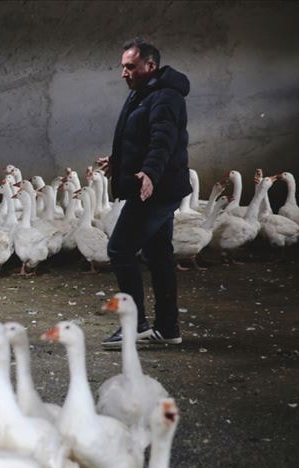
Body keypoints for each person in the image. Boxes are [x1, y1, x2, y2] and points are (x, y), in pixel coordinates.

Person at [97, 38, 192, 348]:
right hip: (156, 187)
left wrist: (149, 173)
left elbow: (162, 140)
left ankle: (135, 324)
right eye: (123, 67)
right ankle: (168, 328)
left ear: (150, 66)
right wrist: (119, 161)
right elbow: (138, 137)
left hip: (154, 190)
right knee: (158, 254)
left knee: (119, 249)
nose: (124, 73)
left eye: (130, 67)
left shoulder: (165, 97)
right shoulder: (143, 92)